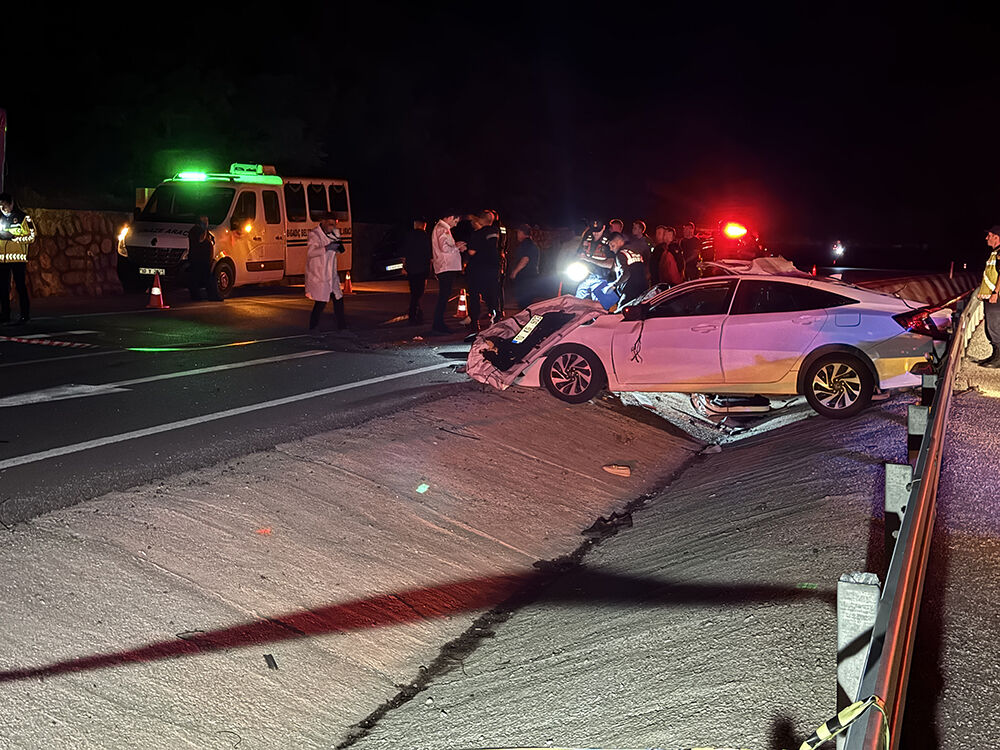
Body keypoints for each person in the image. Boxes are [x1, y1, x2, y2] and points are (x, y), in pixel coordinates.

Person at [305, 213, 347, 332]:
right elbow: (311, 253)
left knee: (338, 299)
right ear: (323, 222)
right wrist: (327, 248)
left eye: (334, 224)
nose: (332, 227)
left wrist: (338, 245)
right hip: (320, 274)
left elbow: (340, 250)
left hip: (331, 274)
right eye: (330, 224)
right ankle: (313, 327)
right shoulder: (314, 235)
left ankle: (342, 326)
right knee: (321, 302)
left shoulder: (334, 234)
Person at [0, 193, 36, 325]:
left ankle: (24, 314)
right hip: (2, 260)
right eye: (0, 206)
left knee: (20, 286)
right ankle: (5, 314)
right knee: (3, 288)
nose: (2, 209)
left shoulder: (23, 218)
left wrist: (14, 237)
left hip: (18, 259)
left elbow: (31, 237)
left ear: (11, 204)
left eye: (4, 206)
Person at [464, 210, 501, 333]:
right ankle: (495, 316)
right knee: (491, 295)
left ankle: (474, 323)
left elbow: (471, 252)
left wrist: (464, 249)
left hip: (477, 269)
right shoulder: (495, 232)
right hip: (492, 268)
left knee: (474, 296)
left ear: (480, 220)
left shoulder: (477, 234)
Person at [430, 213, 465, 334]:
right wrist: (457, 247)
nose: (455, 225)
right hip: (446, 267)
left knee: (444, 296)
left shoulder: (442, 228)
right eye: (456, 221)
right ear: (450, 217)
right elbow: (444, 248)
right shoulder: (442, 228)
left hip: (445, 267)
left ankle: (438, 323)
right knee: (443, 297)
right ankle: (438, 324)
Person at [975, 224, 1000, 367]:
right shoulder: (994, 253)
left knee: (995, 327)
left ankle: (998, 359)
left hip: (997, 297)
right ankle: (995, 355)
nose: (986, 238)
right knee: (991, 327)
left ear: (996, 237)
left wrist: (995, 293)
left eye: (989, 235)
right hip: (991, 296)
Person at [400, 217, 431, 324]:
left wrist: (404, 267)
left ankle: (414, 313)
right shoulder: (426, 237)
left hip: (411, 268)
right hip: (422, 268)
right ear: (424, 225)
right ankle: (416, 313)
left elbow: (404, 253)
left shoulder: (409, 236)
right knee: (420, 292)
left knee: (413, 291)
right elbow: (429, 254)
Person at [574, 220, 615, 300]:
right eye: (594, 231)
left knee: (598, 306)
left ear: (603, 228)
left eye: (598, 231)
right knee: (578, 299)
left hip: (602, 279)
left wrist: (588, 259)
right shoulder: (587, 238)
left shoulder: (609, 242)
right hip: (586, 277)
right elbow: (579, 254)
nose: (595, 233)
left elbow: (610, 264)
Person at [187, 215, 220, 301]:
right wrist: (205, 230)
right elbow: (200, 240)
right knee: (199, 278)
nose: (206, 223)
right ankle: (202, 296)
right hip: (198, 259)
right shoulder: (195, 231)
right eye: (205, 221)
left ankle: (209, 296)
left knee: (206, 278)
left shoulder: (206, 231)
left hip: (205, 260)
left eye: (207, 221)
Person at [508, 223, 541, 310]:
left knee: (523, 303)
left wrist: (515, 272)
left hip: (524, 277)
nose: (517, 235)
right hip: (532, 276)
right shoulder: (533, 244)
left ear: (522, 232)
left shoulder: (525, 244)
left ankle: (524, 321)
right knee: (528, 302)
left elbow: (525, 259)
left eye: (518, 233)